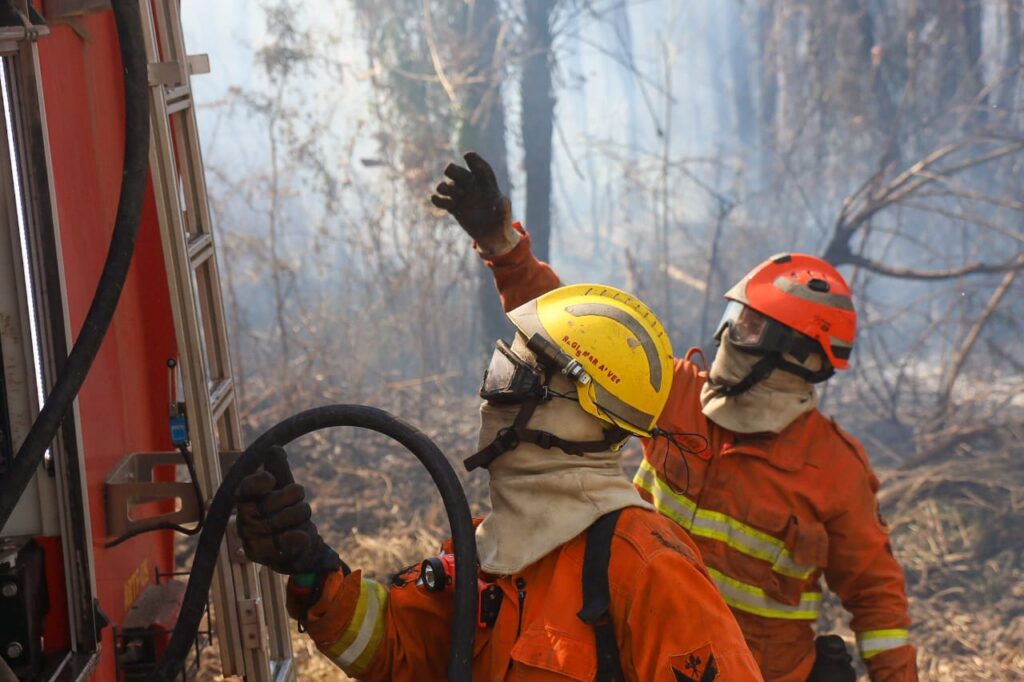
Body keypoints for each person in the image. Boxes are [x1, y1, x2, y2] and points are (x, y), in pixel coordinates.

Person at [430, 153, 918, 682]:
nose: (729, 335)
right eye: (735, 317)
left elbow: (879, 604)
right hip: (634, 654)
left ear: (801, 355)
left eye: (752, 327)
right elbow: (578, 339)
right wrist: (504, 249)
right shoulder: (678, 394)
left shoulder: (834, 471)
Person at [235, 284, 762, 681]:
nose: (491, 395)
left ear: (576, 411)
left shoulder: (648, 571)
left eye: (515, 377)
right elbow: (400, 650)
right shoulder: (493, 547)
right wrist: (312, 571)